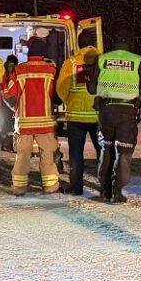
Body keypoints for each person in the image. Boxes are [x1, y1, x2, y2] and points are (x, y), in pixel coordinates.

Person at [0, 54, 60, 194]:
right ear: (43, 54)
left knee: (22, 155)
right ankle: (50, 186)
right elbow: (58, 92)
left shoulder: (20, 70)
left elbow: (7, 93)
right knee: (47, 154)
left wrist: (16, 106)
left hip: (24, 123)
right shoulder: (51, 69)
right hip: (45, 121)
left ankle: (19, 187)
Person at [94, 47, 141, 203]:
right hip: (127, 111)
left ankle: (105, 190)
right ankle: (117, 191)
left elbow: (91, 87)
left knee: (105, 148)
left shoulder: (102, 59)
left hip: (106, 110)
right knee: (124, 151)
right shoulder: (137, 60)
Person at [55, 46, 102, 195]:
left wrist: (68, 101)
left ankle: (76, 187)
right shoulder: (103, 61)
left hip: (76, 115)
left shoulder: (71, 63)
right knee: (103, 152)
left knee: (76, 153)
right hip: (98, 114)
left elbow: (61, 87)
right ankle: (107, 187)